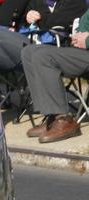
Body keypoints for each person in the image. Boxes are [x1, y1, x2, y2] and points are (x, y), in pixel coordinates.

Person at [20, 16, 89, 144]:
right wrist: (78, 35)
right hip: (80, 51)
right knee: (28, 52)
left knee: (43, 57)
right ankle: (52, 116)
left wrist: (87, 39)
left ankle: (64, 119)